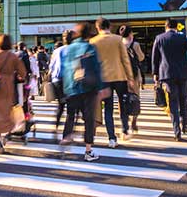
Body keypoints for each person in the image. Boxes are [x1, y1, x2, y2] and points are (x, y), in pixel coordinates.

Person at [151, 19, 187, 141]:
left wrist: (155, 73)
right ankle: (185, 125)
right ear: (176, 27)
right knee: (183, 98)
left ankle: (177, 131)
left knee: (173, 101)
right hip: (183, 73)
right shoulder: (182, 38)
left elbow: (155, 58)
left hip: (167, 74)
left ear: (166, 26)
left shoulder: (159, 38)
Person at [59, 21, 103, 162]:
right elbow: (96, 68)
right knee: (88, 119)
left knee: (71, 115)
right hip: (88, 89)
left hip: (71, 88)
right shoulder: (90, 47)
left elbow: (65, 70)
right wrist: (101, 87)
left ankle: (66, 137)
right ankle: (88, 151)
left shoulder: (69, 49)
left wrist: (66, 88)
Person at [91, 17, 134, 146]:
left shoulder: (93, 41)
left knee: (108, 108)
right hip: (119, 76)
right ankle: (125, 129)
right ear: (109, 26)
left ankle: (111, 138)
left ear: (97, 28)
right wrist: (130, 77)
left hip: (103, 79)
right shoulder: (118, 39)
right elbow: (125, 59)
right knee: (123, 103)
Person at [0, 34, 27, 154]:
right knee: (8, 112)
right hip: (8, 86)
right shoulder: (13, 56)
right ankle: (6, 134)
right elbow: (22, 72)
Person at [48, 31, 73, 136]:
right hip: (69, 80)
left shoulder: (57, 51)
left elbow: (51, 67)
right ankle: (67, 132)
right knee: (71, 107)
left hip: (57, 81)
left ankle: (57, 125)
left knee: (61, 105)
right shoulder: (73, 50)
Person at [119, 25, 144, 133]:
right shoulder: (135, 44)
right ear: (130, 34)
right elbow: (141, 57)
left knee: (123, 99)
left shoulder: (119, 44)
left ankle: (125, 122)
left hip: (122, 75)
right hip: (134, 76)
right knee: (135, 98)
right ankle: (134, 120)